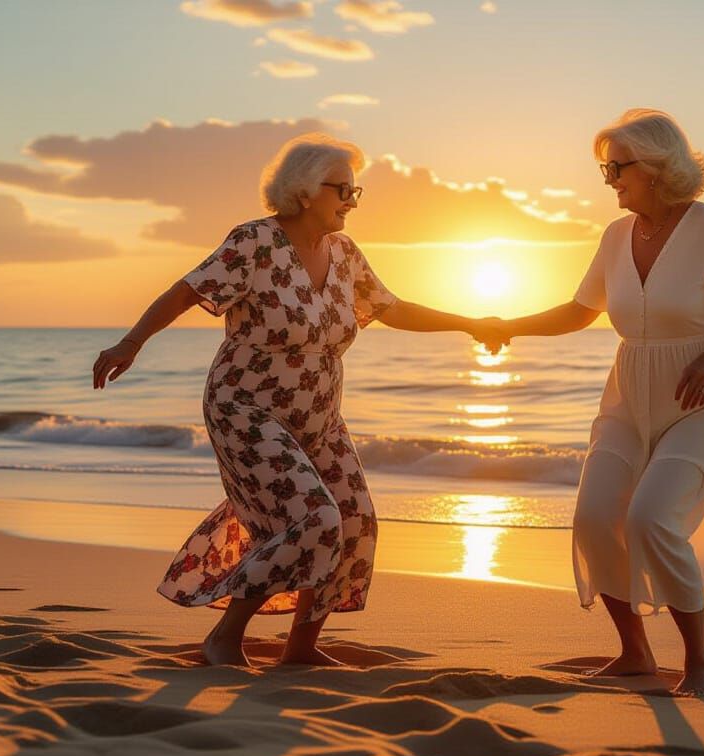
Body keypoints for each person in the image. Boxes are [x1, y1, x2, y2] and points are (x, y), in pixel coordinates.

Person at [93, 133, 499, 667]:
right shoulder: (254, 243)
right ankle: (225, 637)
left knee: (354, 519)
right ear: (305, 192)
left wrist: (471, 324)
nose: (352, 202)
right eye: (344, 192)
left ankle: (301, 649)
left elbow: (392, 308)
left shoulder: (344, 254)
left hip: (319, 418)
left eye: (357, 193)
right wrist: (131, 342)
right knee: (314, 518)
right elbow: (187, 291)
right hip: (246, 409)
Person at [476, 109, 704, 695]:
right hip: (627, 396)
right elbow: (579, 310)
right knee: (594, 518)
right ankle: (634, 652)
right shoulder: (616, 236)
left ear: (657, 168)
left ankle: (700, 663)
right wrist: (505, 326)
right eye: (604, 167)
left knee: (649, 519)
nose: (609, 178)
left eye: (617, 166)